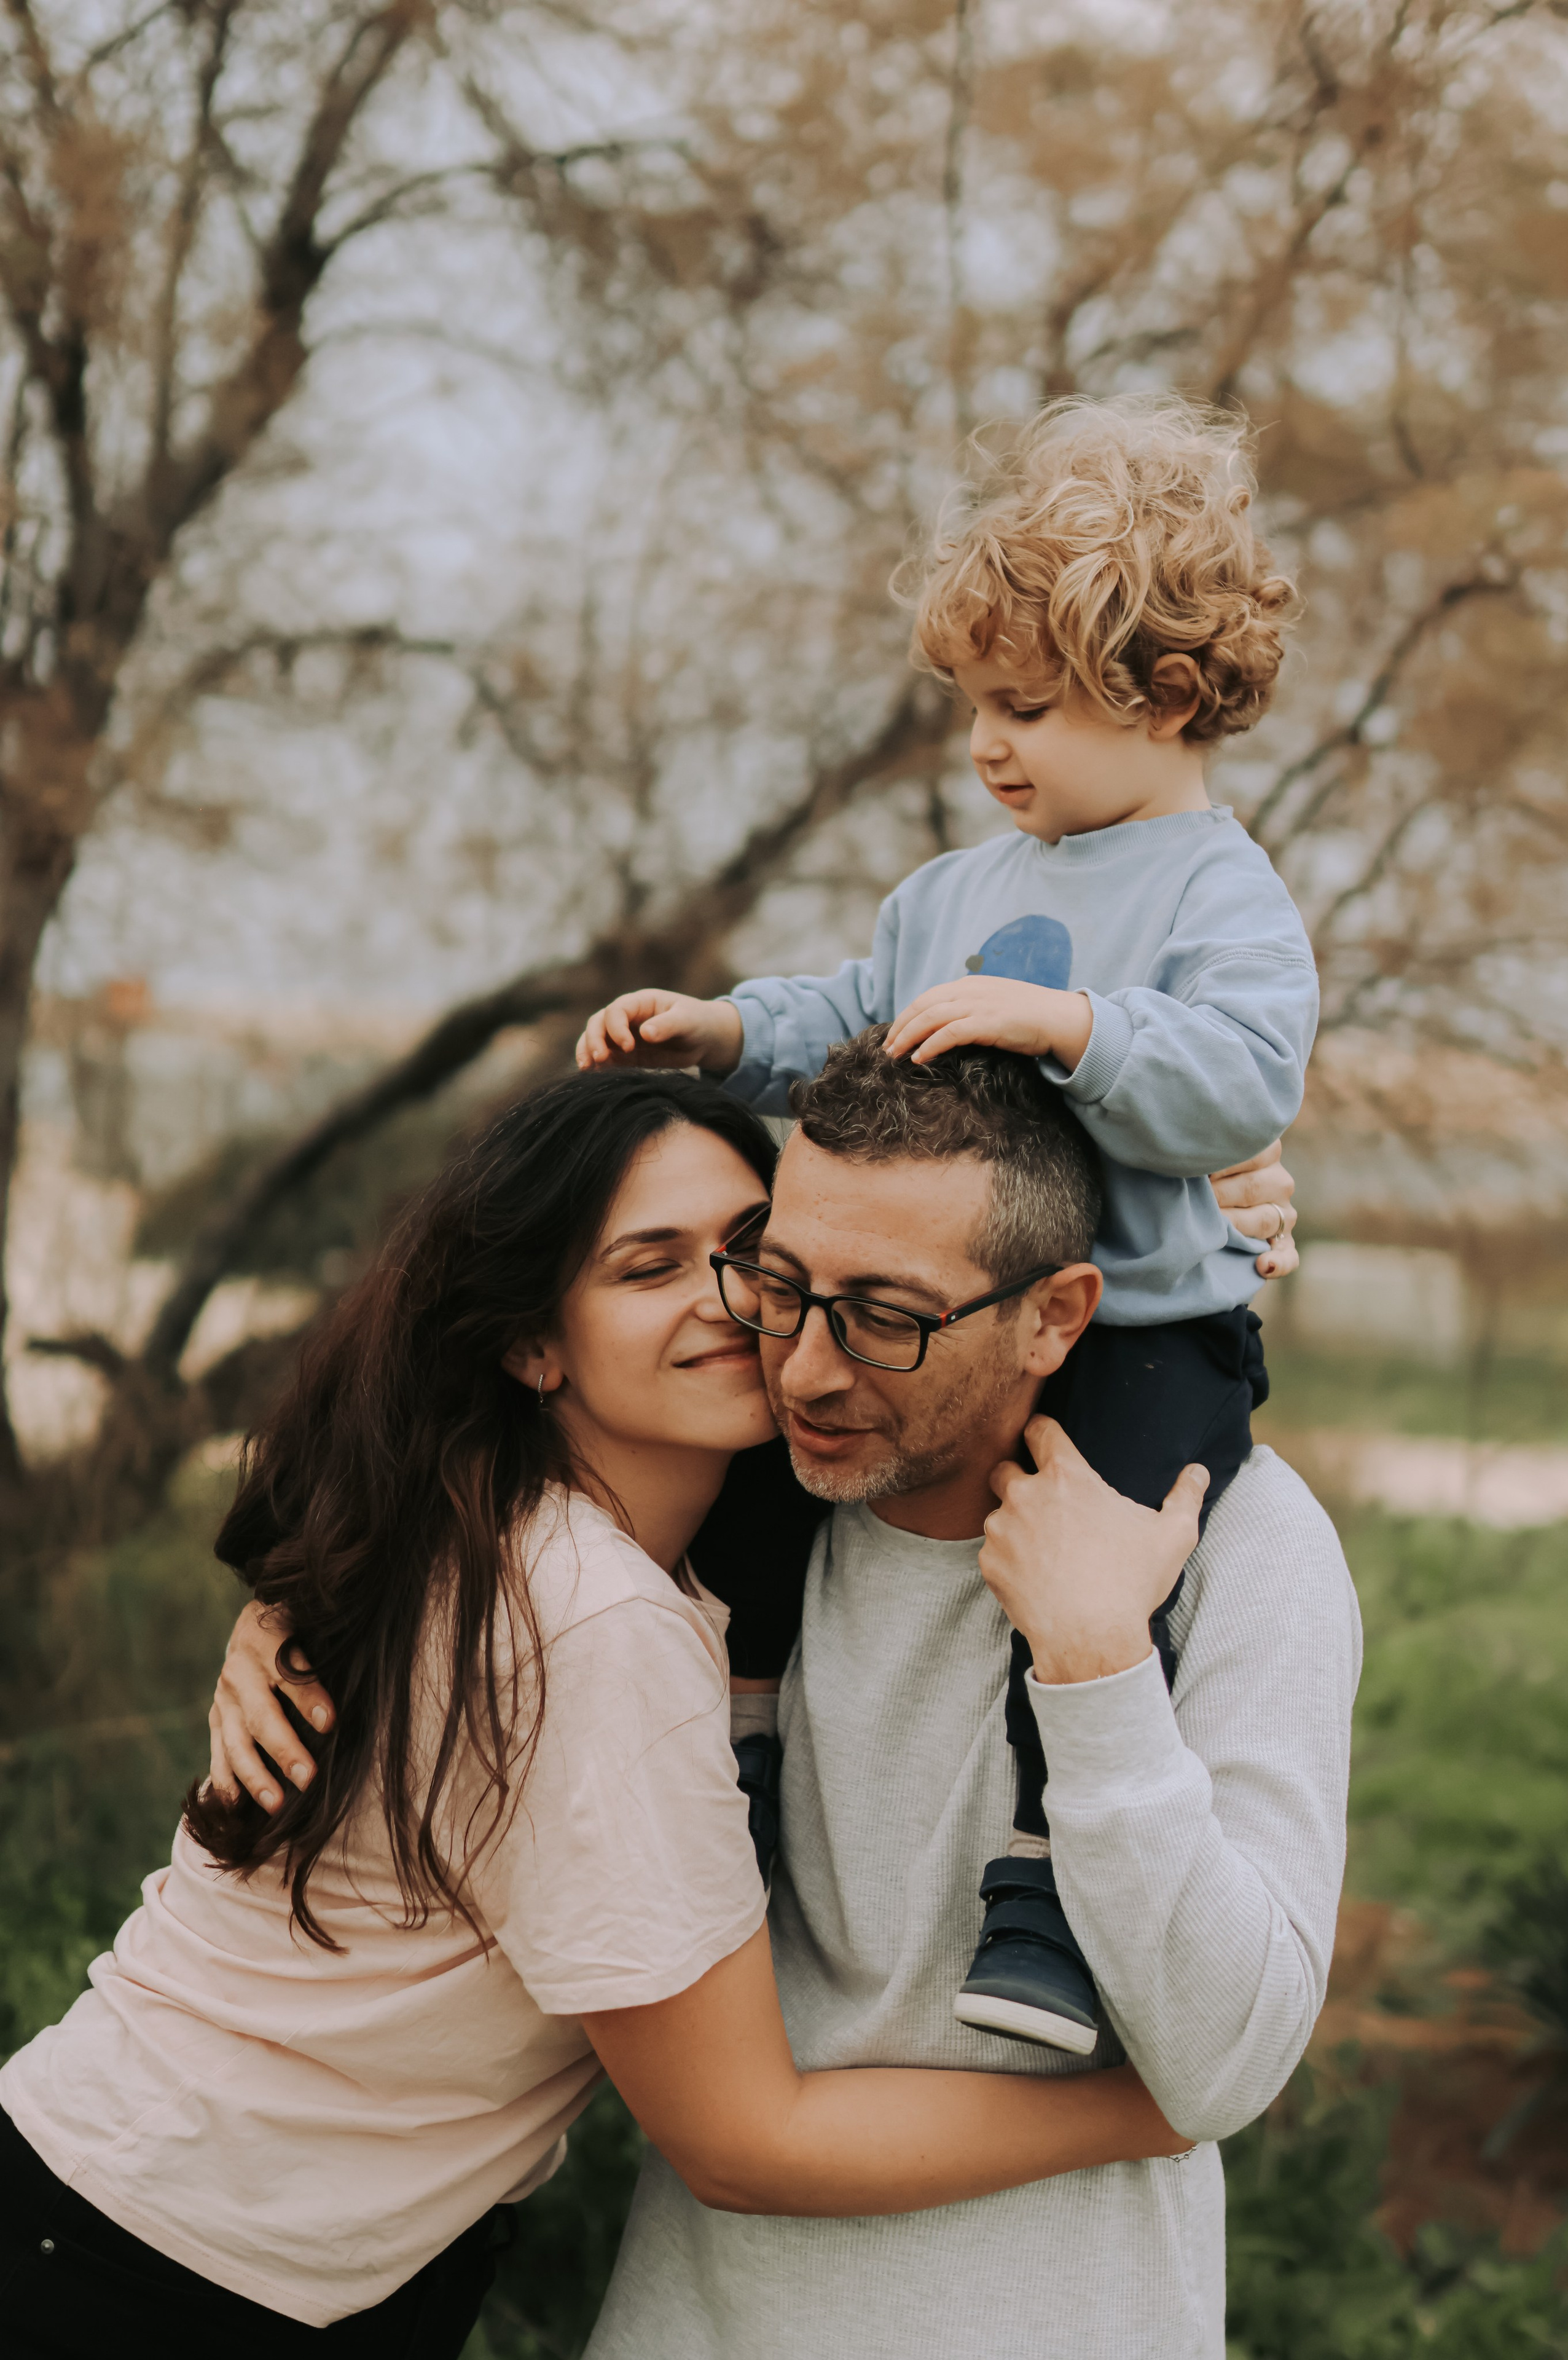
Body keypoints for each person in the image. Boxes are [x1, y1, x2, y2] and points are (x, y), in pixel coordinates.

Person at [0, 1068, 1188, 2360]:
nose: (727, 1304)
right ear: (532, 1342)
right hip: (161, 2272)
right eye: (647, 1267)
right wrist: (1153, 2107)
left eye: (750, 1253)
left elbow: (952, 1230)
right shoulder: (591, 1618)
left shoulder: (490, 1528)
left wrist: (1204, 1190)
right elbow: (742, 2141)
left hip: (157, 2218)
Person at [576, 393, 1317, 2050]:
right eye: (979, 705)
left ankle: (1047, 1882)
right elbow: (854, 1008)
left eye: (1031, 708)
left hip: (1141, 1328)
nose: (991, 745)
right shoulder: (956, 891)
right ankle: (748, 1744)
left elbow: (1246, 1082)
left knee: (1095, 1576)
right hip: (935, 1318)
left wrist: (1079, 1036)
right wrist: (720, 1028)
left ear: (1171, 696)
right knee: (766, 1479)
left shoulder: (1217, 895)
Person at [577, 1037, 1359, 2360]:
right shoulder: (723, 1491)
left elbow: (1226, 2064)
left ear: (1056, 1313)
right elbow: (448, 1489)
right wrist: (290, 1613)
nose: (808, 1370)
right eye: (783, 1286)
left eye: (886, 1315)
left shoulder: (1237, 1545)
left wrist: (1098, 1668)